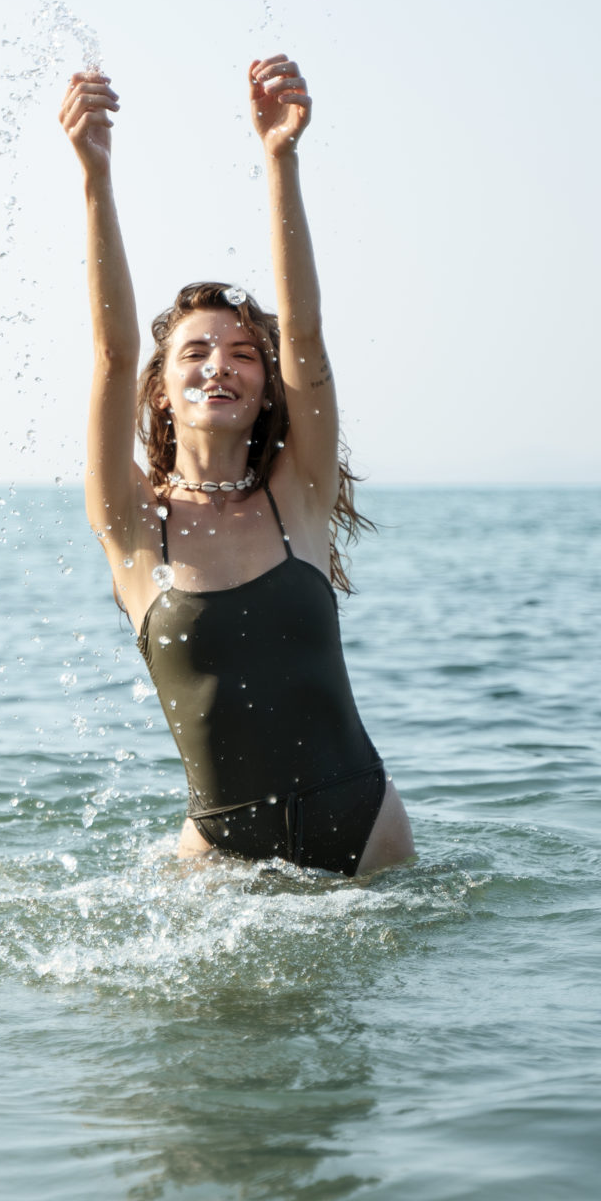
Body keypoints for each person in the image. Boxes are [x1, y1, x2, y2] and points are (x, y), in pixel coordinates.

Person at [58, 54, 415, 876]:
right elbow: (112, 353)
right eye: (194, 353)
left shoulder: (301, 495)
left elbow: (311, 339)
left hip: (365, 831)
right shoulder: (131, 523)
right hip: (222, 855)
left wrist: (280, 158)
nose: (218, 365)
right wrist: (94, 175)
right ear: (161, 393)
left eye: (244, 353)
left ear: (266, 389)